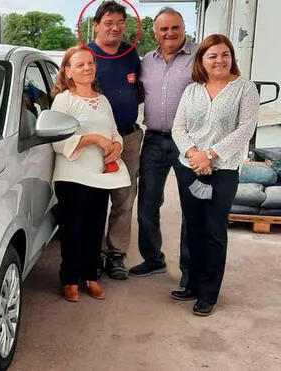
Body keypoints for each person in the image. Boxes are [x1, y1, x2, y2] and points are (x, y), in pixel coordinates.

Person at [170, 34, 259, 316]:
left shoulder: (244, 89)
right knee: (192, 226)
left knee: (214, 231)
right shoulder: (192, 90)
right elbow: (178, 128)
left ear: (232, 57)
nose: (219, 60)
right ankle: (190, 283)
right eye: (212, 56)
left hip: (224, 171)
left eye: (224, 54)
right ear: (202, 61)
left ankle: (208, 293)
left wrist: (210, 155)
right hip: (190, 168)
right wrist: (195, 155)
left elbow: (245, 129)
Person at [50, 45, 131, 302]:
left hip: (100, 175)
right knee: (73, 230)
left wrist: (117, 145)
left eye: (90, 64)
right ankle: (70, 279)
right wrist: (92, 138)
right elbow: (56, 141)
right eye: (80, 65)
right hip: (72, 175)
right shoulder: (64, 100)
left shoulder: (103, 99)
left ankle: (91, 277)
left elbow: (114, 132)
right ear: (68, 71)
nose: (87, 68)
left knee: (95, 228)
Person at [130, 7, 198, 291]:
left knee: (191, 206)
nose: (169, 33)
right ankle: (153, 258)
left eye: (175, 28)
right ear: (155, 32)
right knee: (147, 202)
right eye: (163, 29)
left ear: (184, 28)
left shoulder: (200, 57)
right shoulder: (146, 62)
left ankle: (189, 270)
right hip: (155, 140)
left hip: (191, 142)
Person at [87, 0, 142, 280]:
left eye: (120, 23)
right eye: (109, 22)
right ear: (96, 25)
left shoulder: (132, 55)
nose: (115, 28)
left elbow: (140, 91)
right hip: (96, 142)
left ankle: (116, 255)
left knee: (124, 198)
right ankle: (92, 254)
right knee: (95, 199)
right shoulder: (85, 55)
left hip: (129, 137)